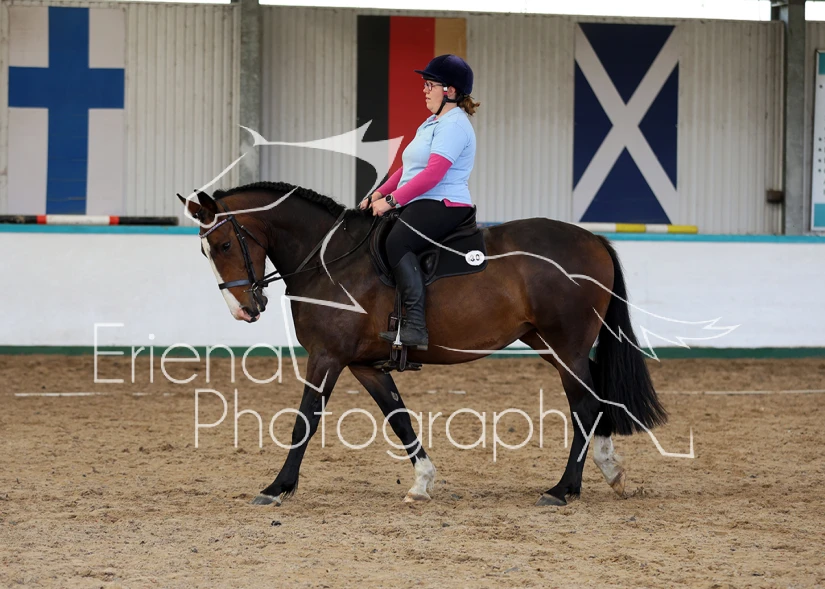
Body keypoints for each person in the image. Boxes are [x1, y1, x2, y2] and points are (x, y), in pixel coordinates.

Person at [359, 54, 481, 351]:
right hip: (423, 199)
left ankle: (415, 326)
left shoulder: (454, 125)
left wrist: (392, 201)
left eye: (430, 85)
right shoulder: (431, 123)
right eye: (425, 84)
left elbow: (433, 174)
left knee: (397, 242)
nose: (424, 90)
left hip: (445, 202)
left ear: (450, 91)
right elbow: (408, 169)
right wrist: (377, 194)